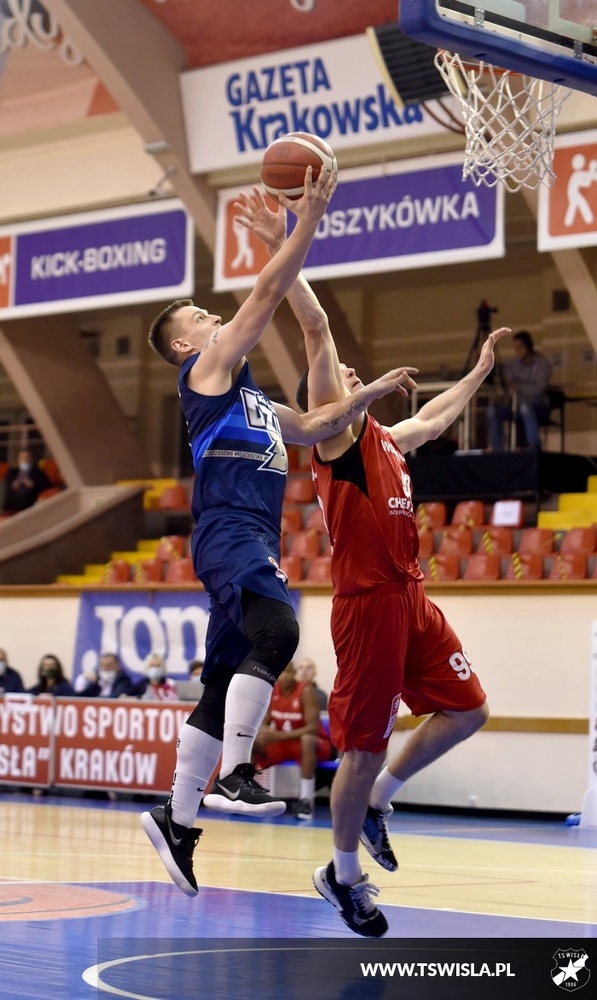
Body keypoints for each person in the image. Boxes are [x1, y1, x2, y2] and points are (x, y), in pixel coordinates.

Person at [237, 187, 509, 937]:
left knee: (468, 710)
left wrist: (479, 371)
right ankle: (342, 873)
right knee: (359, 747)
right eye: (342, 378)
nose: (350, 375)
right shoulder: (337, 437)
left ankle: (382, 801)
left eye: (354, 376)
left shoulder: (386, 440)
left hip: (409, 597)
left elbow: (435, 418)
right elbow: (316, 327)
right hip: (366, 605)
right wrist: (281, 242)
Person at [140, 166, 416, 899]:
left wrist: (368, 392)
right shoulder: (205, 373)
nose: (214, 318)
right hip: (230, 530)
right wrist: (302, 225)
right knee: (280, 633)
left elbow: (318, 425)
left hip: (246, 536)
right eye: (201, 315)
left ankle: (176, 818)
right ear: (185, 346)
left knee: (221, 679)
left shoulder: (253, 400)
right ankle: (236, 771)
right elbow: (265, 296)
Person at [251, 660, 334, 820]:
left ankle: (305, 799)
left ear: (294, 673)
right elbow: (265, 721)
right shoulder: (273, 691)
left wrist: (278, 735)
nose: (284, 675)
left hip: (315, 744)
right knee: (253, 740)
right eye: (281, 671)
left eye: (288, 671)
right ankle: (251, 791)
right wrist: (263, 730)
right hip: (284, 744)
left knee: (307, 739)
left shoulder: (305, 690)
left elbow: (312, 728)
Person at [486, 330, 552, 451]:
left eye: (520, 346)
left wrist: (518, 386)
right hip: (515, 405)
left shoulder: (542, 364)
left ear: (528, 345)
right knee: (493, 411)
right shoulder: (512, 364)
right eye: (515, 347)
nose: (517, 350)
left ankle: (534, 447)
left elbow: (539, 389)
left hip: (539, 405)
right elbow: (499, 372)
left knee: (525, 407)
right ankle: (498, 450)